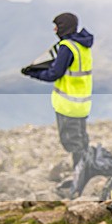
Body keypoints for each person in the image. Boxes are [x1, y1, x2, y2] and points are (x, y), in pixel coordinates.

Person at [22, 13, 94, 169]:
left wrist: (33, 73)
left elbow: (54, 73)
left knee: (72, 142)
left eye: (57, 25)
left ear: (63, 27)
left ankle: (81, 178)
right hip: (82, 103)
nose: (54, 29)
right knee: (81, 140)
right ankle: (87, 171)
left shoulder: (67, 47)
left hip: (68, 105)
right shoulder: (82, 45)